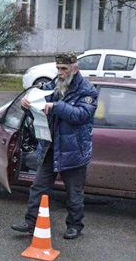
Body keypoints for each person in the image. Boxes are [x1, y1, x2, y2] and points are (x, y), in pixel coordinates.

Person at [12, 53, 98, 239]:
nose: (60, 72)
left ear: (75, 68)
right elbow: (38, 101)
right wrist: (28, 104)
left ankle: (75, 225)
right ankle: (31, 222)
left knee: (74, 192)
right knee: (38, 187)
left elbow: (81, 115)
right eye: (58, 68)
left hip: (74, 150)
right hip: (50, 147)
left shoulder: (88, 90)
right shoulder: (52, 85)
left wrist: (56, 106)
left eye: (64, 69)